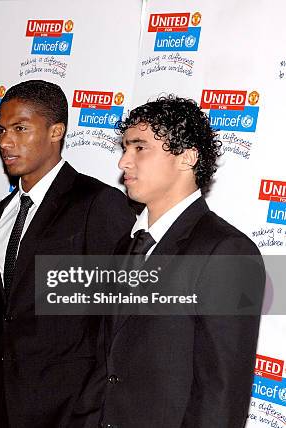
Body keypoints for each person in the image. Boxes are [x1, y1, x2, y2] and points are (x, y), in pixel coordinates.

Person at [0, 80, 135, 428]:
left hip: (66, 407)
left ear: (56, 131)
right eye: (1, 130)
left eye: (20, 128)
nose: (5, 141)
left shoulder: (97, 203)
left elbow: (118, 315)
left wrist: (90, 408)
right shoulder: (0, 214)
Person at [99, 95, 264, 427]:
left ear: (187, 158)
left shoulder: (227, 252)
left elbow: (221, 397)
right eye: (124, 149)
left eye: (140, 148)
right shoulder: (126, 245)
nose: (123, 163)